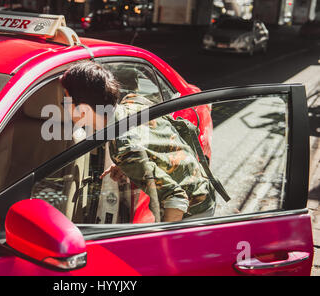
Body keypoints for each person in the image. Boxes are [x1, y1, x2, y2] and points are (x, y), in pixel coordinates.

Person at [60, 61, 215, 222]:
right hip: (200, 187)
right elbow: (149, 138)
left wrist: (163, 241)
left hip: (194, 211)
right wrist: (132, 164)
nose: (62, 105)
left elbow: (176, 198)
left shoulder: (124, 149)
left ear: (84, 108)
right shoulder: (132, 102)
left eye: (65, 100)